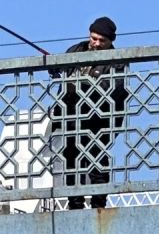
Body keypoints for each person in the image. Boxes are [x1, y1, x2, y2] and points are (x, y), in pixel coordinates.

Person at [51, 17, 128, 210]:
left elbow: (115, 89)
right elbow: (61, 68)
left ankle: (98, 204)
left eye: (102, 40)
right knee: (70, 159)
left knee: (97, 159)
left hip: (99, 120)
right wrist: (55, 67)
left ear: (110, 41)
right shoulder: (75, 50)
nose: (97, 43)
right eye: (94, 38)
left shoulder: (117, 60)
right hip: (71, 115)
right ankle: (74, 203)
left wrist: (84, 85)